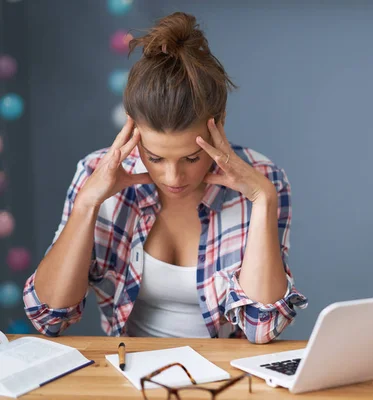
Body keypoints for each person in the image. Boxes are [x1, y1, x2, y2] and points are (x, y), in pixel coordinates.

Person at [22, 12, 307, 343]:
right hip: (131, 375)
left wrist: (263, 200)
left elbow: (262, 328)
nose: (173, 176)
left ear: (220, 122)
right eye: (155, 157)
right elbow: (49, 318)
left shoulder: (262, 178)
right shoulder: (97, 173)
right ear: (132, 126)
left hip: (226, 381)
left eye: (191, 157)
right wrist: (87, 204)